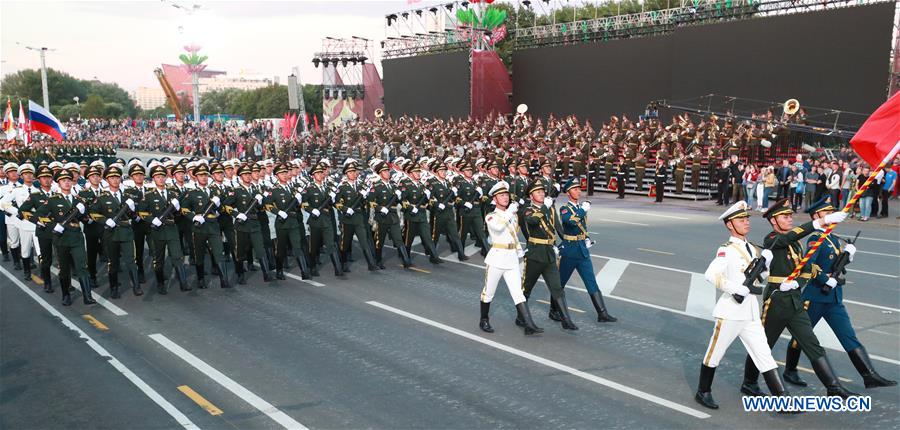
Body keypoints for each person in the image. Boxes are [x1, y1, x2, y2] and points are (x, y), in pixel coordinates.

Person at [741, 198, 856, 398]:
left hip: (794, 299)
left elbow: (805, 268)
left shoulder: (795, 244)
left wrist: (808, 281)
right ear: (774, 221)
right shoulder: (773, 239)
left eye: (791, 215)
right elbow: (787, 238)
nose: (790, 219)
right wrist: (820, 222)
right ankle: (749, 382)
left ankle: (833, 387)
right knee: (763, 345)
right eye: (785, 217)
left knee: (811, 343)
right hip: (776, 301)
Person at [780, 196, 896, 390]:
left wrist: (848, 257)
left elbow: (835, 264)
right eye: (828, 212)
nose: (832, 215)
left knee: (848, 335)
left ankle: (869, 375)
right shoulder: (816, 238)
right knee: (801, 337)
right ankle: (790, 370)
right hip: (815, 297)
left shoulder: (832, 237)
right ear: (817, 215)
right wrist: (826, 279)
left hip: (833, 298)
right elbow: (808, 264)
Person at [695, 201, 788, 410]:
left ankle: (782, 399)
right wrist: (734, 288)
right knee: (715, 354)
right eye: (740, 220)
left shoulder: (753, 248)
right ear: (730, 225)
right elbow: (711, 275)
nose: (746, 222)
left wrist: (767, 264)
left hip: (750, 312)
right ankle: (703, 391)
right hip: (730, 312)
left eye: (747, 219)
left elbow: (759, 279)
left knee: (763, 353)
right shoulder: (726, 250)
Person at [479, 181, 542, 335]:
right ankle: (484, 320)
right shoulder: (491, 216)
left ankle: (529, 324)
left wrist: (519, 251)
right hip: (497, 259)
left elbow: (513, 235)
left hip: (511, 259)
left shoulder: (512, 215)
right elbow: (499, 227)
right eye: (501, 195)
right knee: (489, 292)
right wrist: (510, 212)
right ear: (495, 199)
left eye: (506, 194)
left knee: (518, 292)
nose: (505, 197)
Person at [518, 180, 578, 331]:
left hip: (550, 253)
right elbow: (533, 221)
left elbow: (558, 227)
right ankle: (521, 317)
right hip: (535, 254)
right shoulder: (527, 209)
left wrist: (567, 240)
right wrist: (545, 206)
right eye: (538, 192)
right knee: (526, 289)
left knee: (557, 287)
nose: (542, 193)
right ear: (531, 196)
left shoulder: (550, 209)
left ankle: (566, 320)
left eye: (543, 191)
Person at [557, 178, 616, 322]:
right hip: (570, 252)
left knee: (591, 282)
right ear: (568, 193)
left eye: (579, 189)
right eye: (575, 189)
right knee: (560, 283)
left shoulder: (579, 208)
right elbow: (571, 222)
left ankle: (602, 313)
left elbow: (582, 227)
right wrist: (583, 210)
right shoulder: (565, 209)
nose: (578, 191)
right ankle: (554, 310)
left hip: (582, 250)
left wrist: (586, 238)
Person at [37, 170, 96, 306]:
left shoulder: (78, 200)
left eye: (69, 180)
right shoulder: (53, 200)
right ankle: (66, 295)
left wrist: (84, 212)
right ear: (58, 183)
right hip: (61, 239)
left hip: (76, 238)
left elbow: (84, 218)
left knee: (82, 267)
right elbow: (38, 215)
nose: (67, 182)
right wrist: (53, 226)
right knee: (64, 269)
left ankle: (88, 296)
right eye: (64, 180)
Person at [90, 165, 142, 299]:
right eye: (112, 178)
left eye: (117, 177)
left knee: (131, 260)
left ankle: (136, 286)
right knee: (113, 262)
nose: (115, 180)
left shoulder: (127, 196)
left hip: (126, 232)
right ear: (107, 180)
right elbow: (93, 213)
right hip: (111, 234)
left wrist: (132, 209)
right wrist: (105, 220)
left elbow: (134, 216)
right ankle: (114, 288)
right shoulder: (102, 197)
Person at [142, 165, 190, 293]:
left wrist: (178, 208)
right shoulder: (149, 195)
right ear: (153, 179)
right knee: (159, 258)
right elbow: (142, 212)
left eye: (163, 177)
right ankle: (160, 283)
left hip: (171, 228)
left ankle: (183, 282)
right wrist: (152, 219)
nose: (161, 179)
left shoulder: (173, 193)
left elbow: (179, 214)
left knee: (177, 256)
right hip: (157, 230)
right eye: (158, 177)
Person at [182, 163, 232, 289]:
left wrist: (218, 205)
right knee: (199, 254)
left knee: (218, 252)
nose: (204, 177)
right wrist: (193, 217)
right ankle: (200, 279)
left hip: (213, 225)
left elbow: (221, 210)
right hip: (199, 226)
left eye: (205, 175)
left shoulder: (215, 191)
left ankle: (224, 279)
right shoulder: (192, 193)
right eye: (201, 175)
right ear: (196, 177)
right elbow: (184, 208)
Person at [269, 162, 312, 280]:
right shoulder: (274, 190)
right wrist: (278, 212)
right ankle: (279, 270)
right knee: (281, 248)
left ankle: (304, 271)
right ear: (277, 176)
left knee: (297, 246)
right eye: (281, 173)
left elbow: (302, 202)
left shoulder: (293, 188)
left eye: (285, 172)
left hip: (293, 222)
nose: (284, 175)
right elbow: (267, 205)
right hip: (282, 223)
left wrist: (299, 200)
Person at [335, 160, 378, 272]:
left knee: (364, 241)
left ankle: (371, 263)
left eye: (354, 171)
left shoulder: (361, 186)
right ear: (346, 174)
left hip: (359, 216)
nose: (353, 173)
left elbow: (368, 200)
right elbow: (337, 203)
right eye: (350, 172)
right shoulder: (342, 187)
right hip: (348, 218)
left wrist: (366, 196)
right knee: (346, 242)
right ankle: (343, 263)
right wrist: (345, 209)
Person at [302, 162, 344, 278]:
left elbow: (333, 203)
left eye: (321, 173)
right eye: (318, 173)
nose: (320, 175)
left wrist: (334, 198)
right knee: (314, 246)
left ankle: (338, 268)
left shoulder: (328, 187)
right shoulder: (309, 188)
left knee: (330, 244)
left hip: (326, 219)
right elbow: (304, 204)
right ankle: (312, 267)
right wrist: (311, 210)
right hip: (315, 220)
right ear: (313, 175)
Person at [370, 161, 412, 269]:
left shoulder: (394, 185)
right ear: (380, 173)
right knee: (380, 240)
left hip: (393, 216)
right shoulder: (377, 186)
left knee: (398, 238)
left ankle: (406, 260)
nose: (387, 173)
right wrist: (380, 208)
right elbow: (370, 201)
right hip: (382, 216)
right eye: (384, 171)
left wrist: (400, 195)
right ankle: (378, 260)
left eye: (388, 170)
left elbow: (401, 199)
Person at [399, 160, 442, 265]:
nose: (418, 174)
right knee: (409, 238)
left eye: (419, 172)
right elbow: (402, 199)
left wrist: (428, 197)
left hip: (421, 214)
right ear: (410, 173)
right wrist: (410, 207)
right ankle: (406, 258)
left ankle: (434, 256)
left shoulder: (422, 185)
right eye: (416, 172)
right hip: (411, 215)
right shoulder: (405, 184)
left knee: (427, 236)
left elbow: (427, 201)